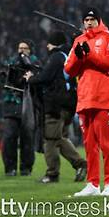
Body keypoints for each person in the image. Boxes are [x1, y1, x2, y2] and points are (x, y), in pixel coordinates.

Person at [64, 8, 109, 197]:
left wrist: (90, 55)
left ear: (99, 20)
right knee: (89, 145)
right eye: (86, 19)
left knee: (107, 144)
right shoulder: (79, 41)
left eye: (92, 19)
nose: (88, 22)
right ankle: (93, 184)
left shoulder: (108, 37)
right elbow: (69, 70)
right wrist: (80, 58)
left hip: (104, 98)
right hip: (85, 99)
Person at [26, 31, 87, 184]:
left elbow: (46, 77)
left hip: (56, 104)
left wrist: (31, 78)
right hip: (68, 104)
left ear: (55, 43)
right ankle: (79, 165)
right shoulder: (66, 56)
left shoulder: (56, 57)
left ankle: (55, 172)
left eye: (49, 42)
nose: (47, 45)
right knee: (59, 138)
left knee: (50, 139)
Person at [0, 41, 39, 177]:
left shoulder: (35, 63)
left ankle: (26, 168)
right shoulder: (11, 61)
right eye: (20, 48)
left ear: (30, 50)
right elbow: (3, 77)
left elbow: (38, 77)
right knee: (9, 136)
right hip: (12, 103)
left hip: (28, 104)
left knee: (27, 137)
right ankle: (10, 168)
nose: (21, 51)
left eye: (25, 48)